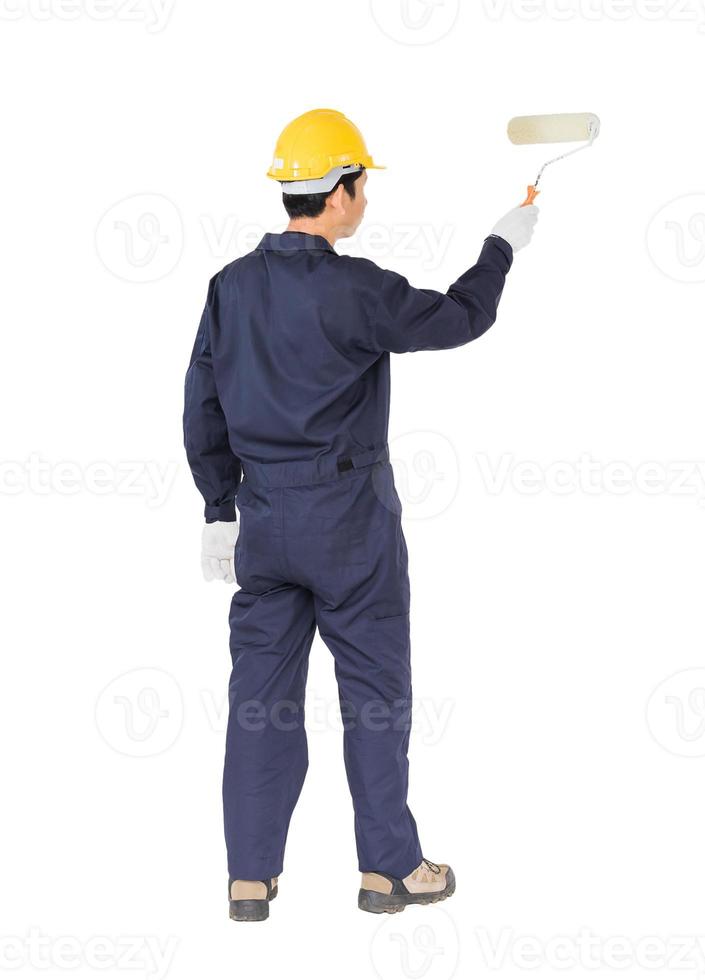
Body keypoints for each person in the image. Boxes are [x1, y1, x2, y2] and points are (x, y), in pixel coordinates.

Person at [184, 108, 538, 922]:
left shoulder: (229, 287)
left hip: (263, 520)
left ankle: (249, 876)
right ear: (340, 192)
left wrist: (217, 508)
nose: (365, 196)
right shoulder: (357, 289)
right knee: (374, 691)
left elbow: (200, 402)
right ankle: (388, 870)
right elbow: (461, 319)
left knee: (259, 697)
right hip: (349, 523)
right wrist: (502, 246)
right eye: (361, 183)